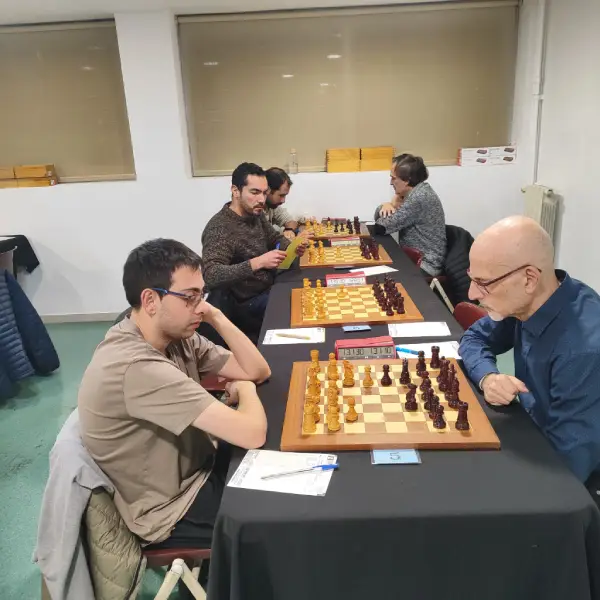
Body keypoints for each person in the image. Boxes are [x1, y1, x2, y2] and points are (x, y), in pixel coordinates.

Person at [78, 238, 270, 550]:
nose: (201, 307)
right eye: (190, 298)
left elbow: (257, 370)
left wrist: (216, 317)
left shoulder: (175, 335)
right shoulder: (136, 367)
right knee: (279, 518)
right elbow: (252, 433)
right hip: (174, 507)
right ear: (150, 300)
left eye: (202, 295)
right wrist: (245, 387)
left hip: (199, 464)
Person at [459, 216, 600, 488]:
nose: (472, 293)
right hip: (530, 431)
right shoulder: (530, 301)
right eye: (471, 278)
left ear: (529, 279)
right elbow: (474, 338)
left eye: (483, 282)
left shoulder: (584, 351)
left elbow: (566, 473)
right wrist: (488, 377)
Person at [201, 162, 306, 332]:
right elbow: (211, 275)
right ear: (236, 191)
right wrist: (258, 262)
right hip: (246, 304)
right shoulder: (220, 228)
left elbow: (275, 238)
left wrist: (293, 247)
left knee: (307, 293)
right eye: (255, 192)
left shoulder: (255, 215)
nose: (262, 200)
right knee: (300, 309)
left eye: (264, 193)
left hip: (269, 286)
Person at [373, 154, 446, 277]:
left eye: (393, 178)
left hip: (424, 265)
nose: (391, 183)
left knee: (378, 276)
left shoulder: (419, 197)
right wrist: (387, 205)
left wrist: (390, 204)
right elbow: (380, 219)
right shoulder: (417, 192)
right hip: (411, 258)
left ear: (407, 180)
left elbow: (381, 227)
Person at [265, 167, 298, 240]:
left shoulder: (272, 206)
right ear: (268, 191)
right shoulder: (256, 210)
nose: (283, 201)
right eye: (281, 195)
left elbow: (291, 221)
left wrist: (289, 230)